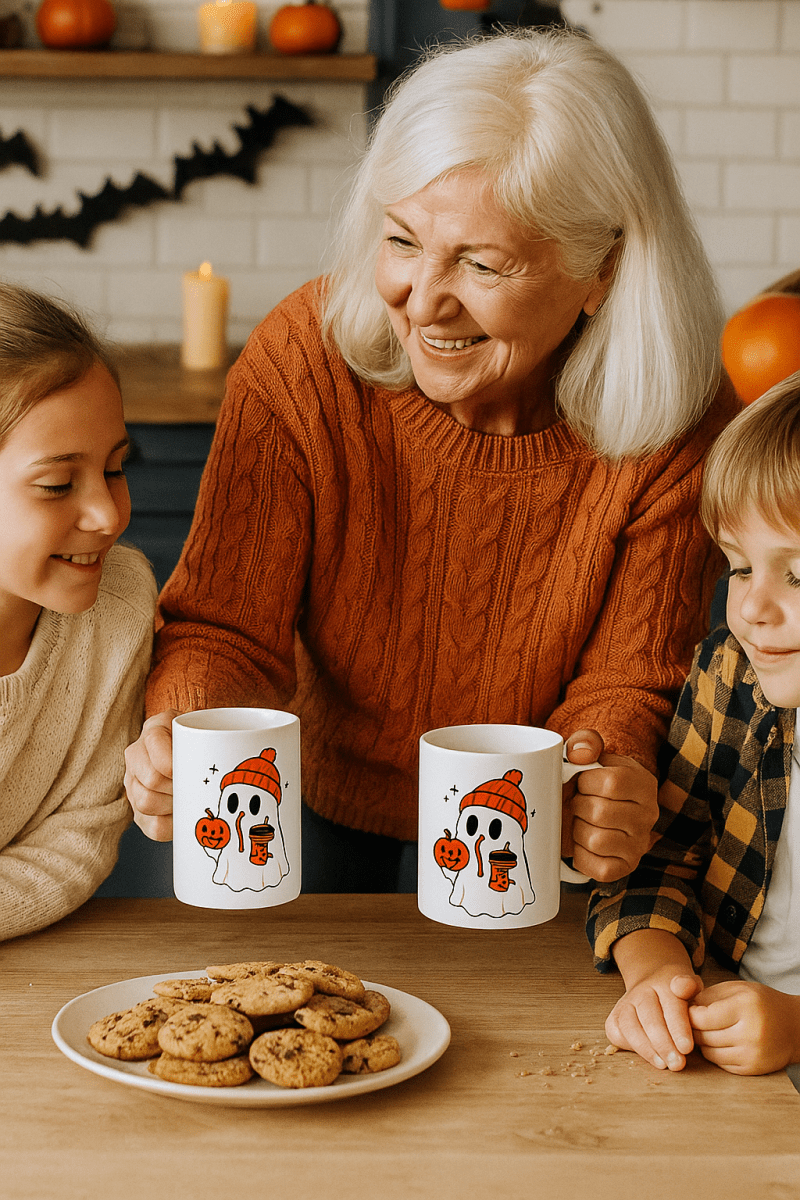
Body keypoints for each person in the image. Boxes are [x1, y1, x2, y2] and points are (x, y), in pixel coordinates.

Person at [124, 28, 737, 892]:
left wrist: (608, 773)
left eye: (482, 264)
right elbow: (227, 627)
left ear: (603, 268)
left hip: (524, 828)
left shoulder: (681, 416)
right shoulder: (305, 358)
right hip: (308, 799)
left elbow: (627, 682)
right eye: (404, 241)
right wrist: (185, 730)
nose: (422, 303)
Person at [589, 372, 800, 1086]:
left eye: (797, 575)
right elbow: (658, 861)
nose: (753, 610)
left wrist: (796, 1027)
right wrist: (658, 977)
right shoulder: (729, 677)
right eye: (740, 568)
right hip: (729, 1063)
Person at [0, 283, 156, 941]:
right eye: (57, 484)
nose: (108, 516)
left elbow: (79, 837)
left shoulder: (119, 607)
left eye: (116, 470)